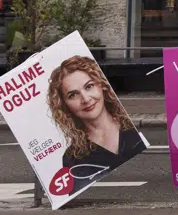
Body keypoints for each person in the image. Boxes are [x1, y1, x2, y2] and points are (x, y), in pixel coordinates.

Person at [47, 55, 146, 192]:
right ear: (64, 105)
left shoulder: (131, 128)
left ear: (102, 86)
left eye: (89, 86)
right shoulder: (73, 158)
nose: (86, 99)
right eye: (73, 95)